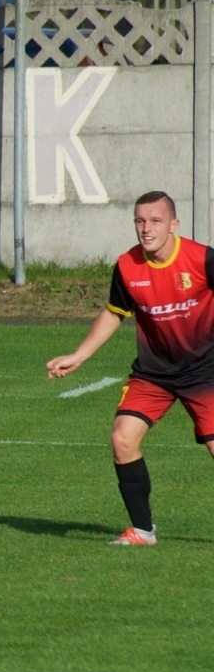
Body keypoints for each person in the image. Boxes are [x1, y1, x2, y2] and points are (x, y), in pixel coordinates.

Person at [46, 191, 214, 546]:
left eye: (155, 221)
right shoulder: (127, 266)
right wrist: (79, 355)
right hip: (153, 374)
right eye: (140, 221)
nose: (146, 229)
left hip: (206, 372)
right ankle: (142, 530)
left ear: (174, 225)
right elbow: (113, 312)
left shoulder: (202, 259)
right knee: (123, 438)